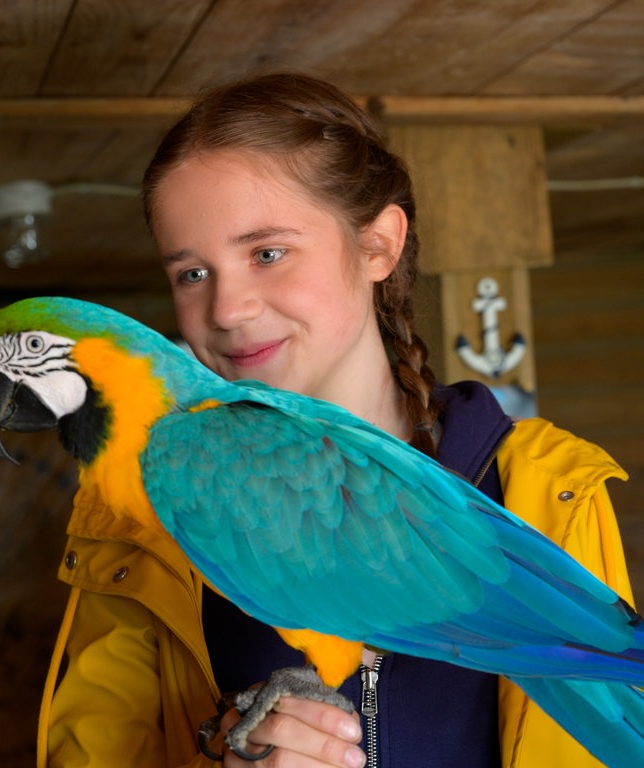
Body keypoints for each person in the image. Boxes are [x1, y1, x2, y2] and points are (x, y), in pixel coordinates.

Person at [39, 72, 633, 768]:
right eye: (192, 275)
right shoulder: (136, 519)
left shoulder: (550, 489)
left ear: (378, 246)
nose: (226, 309)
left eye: (267, 253)